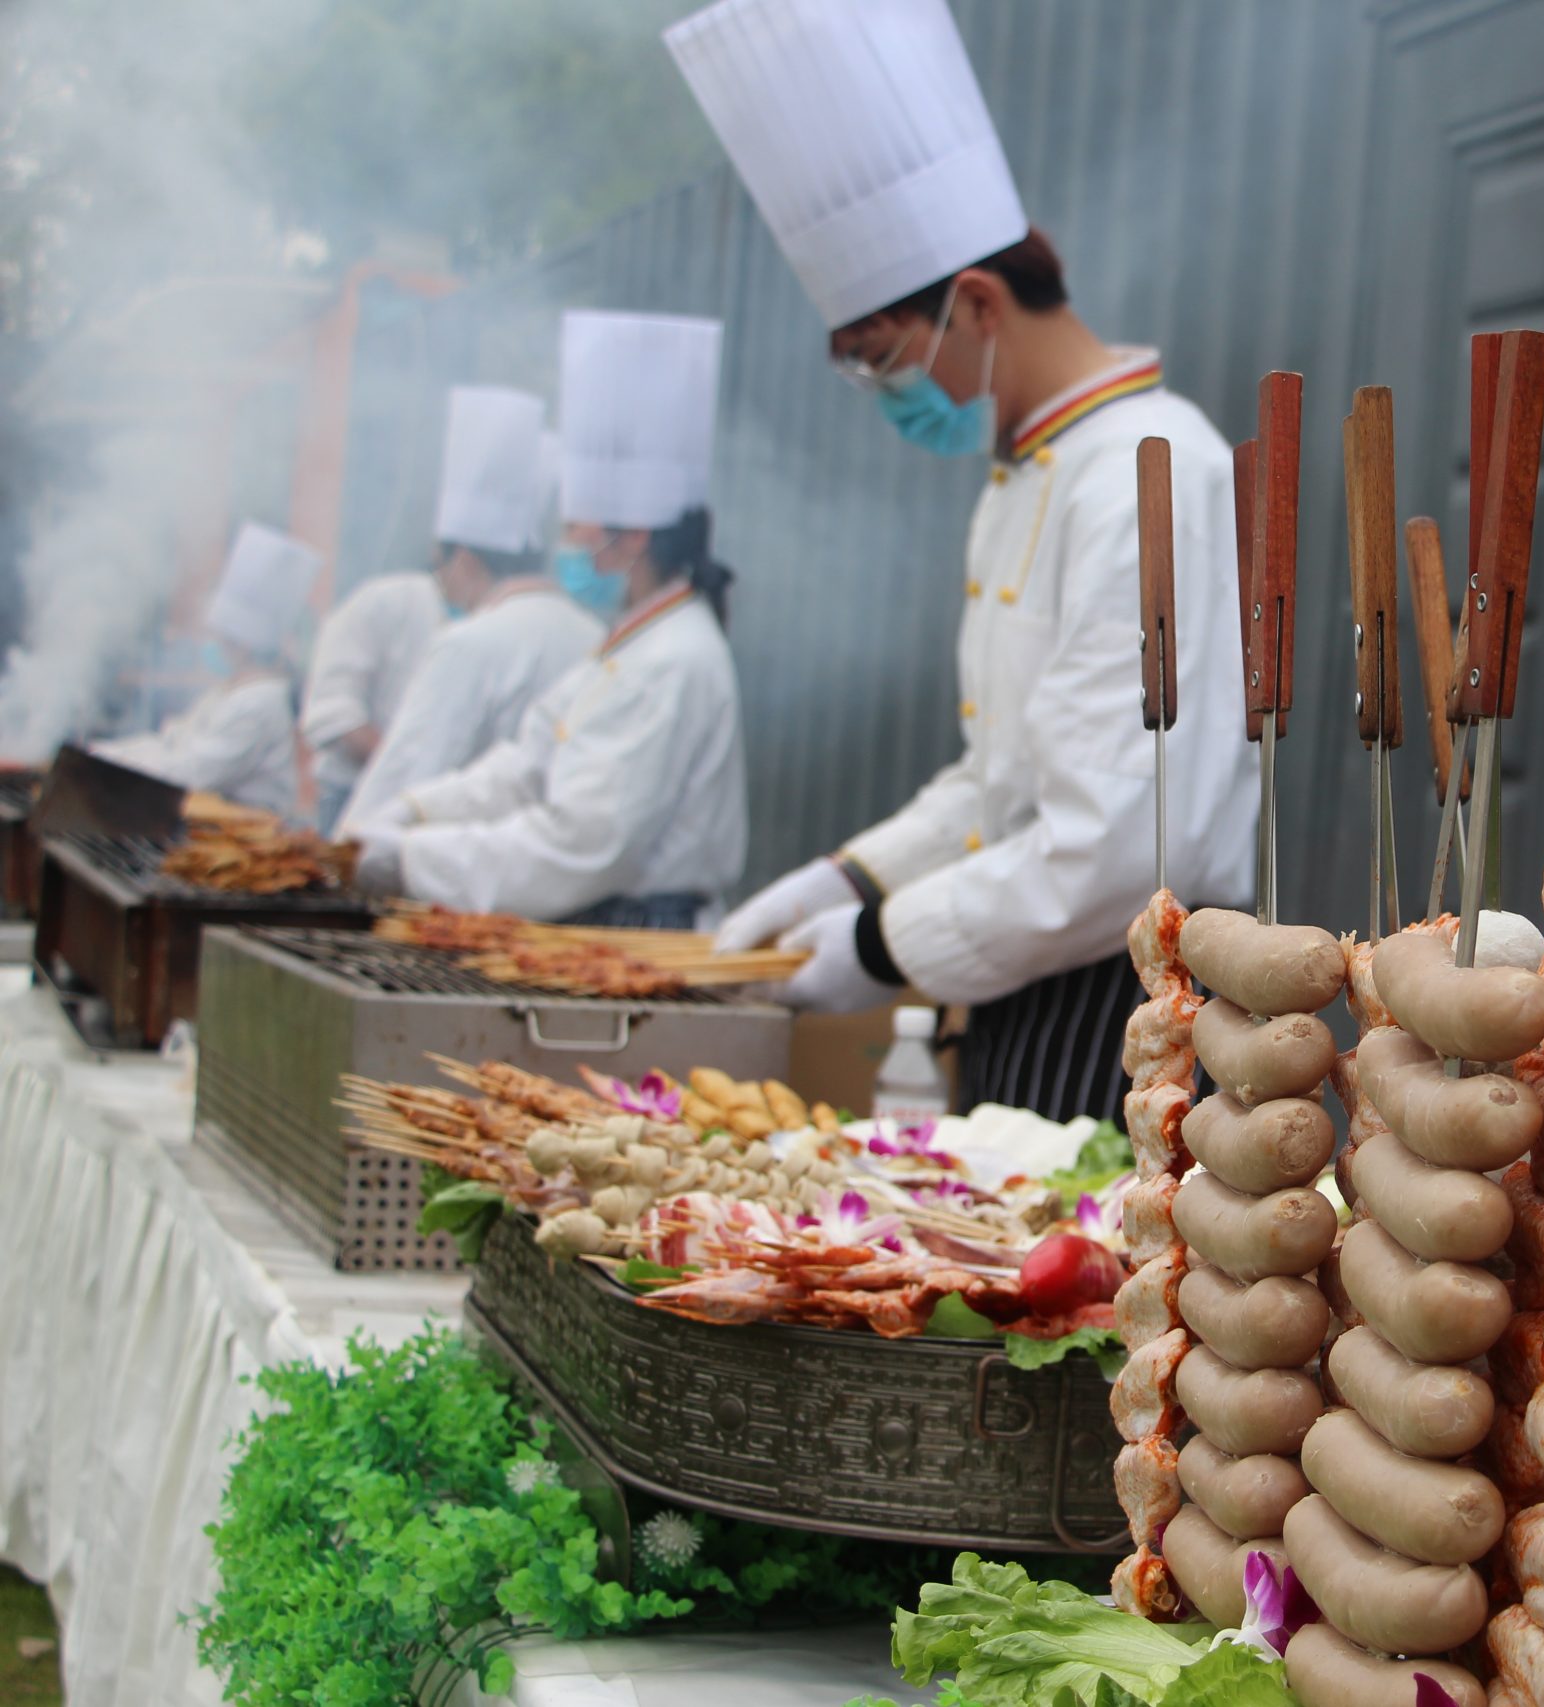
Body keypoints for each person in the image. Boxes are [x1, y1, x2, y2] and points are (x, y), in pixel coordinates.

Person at [670, 0, 1254, 1121]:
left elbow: (1119, 846)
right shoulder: (1022, 478)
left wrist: (879, 944)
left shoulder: (1150, 468)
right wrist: (852, 878)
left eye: (883, 361)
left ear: (976, 305)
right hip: (1021, 989)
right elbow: (1006, 783)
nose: (886, 397)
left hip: (1131, 1009)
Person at [352, 312, 745, 927]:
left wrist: (412, 860)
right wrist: (413, 812)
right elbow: (528, 767)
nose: (565, 544)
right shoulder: (630, 646)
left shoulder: (671, 658)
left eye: (574, 526)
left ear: (633, 537)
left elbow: (581, 845)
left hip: (642, 935)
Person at [338, 388, 601, 833]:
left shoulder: (469, 643)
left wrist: (345, 849)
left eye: (439, 566)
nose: (440, 583)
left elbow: (403, 780)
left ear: (463, 559)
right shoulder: (595, 636)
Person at [94, 522, 319, 817]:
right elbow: (172, 743)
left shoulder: (260, 703)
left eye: (219, 636)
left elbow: (192, 772)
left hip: (249, 832)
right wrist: (105, 754)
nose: (211, 642)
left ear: (241, 644)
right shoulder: (229, 692)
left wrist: (108, 764)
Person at [299, 568, 442, 834]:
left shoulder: (491, 621)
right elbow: (335, 715)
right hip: (352, 796)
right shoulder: (385, 601)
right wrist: (405, 770)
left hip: (431, 811)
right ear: (464, 561)